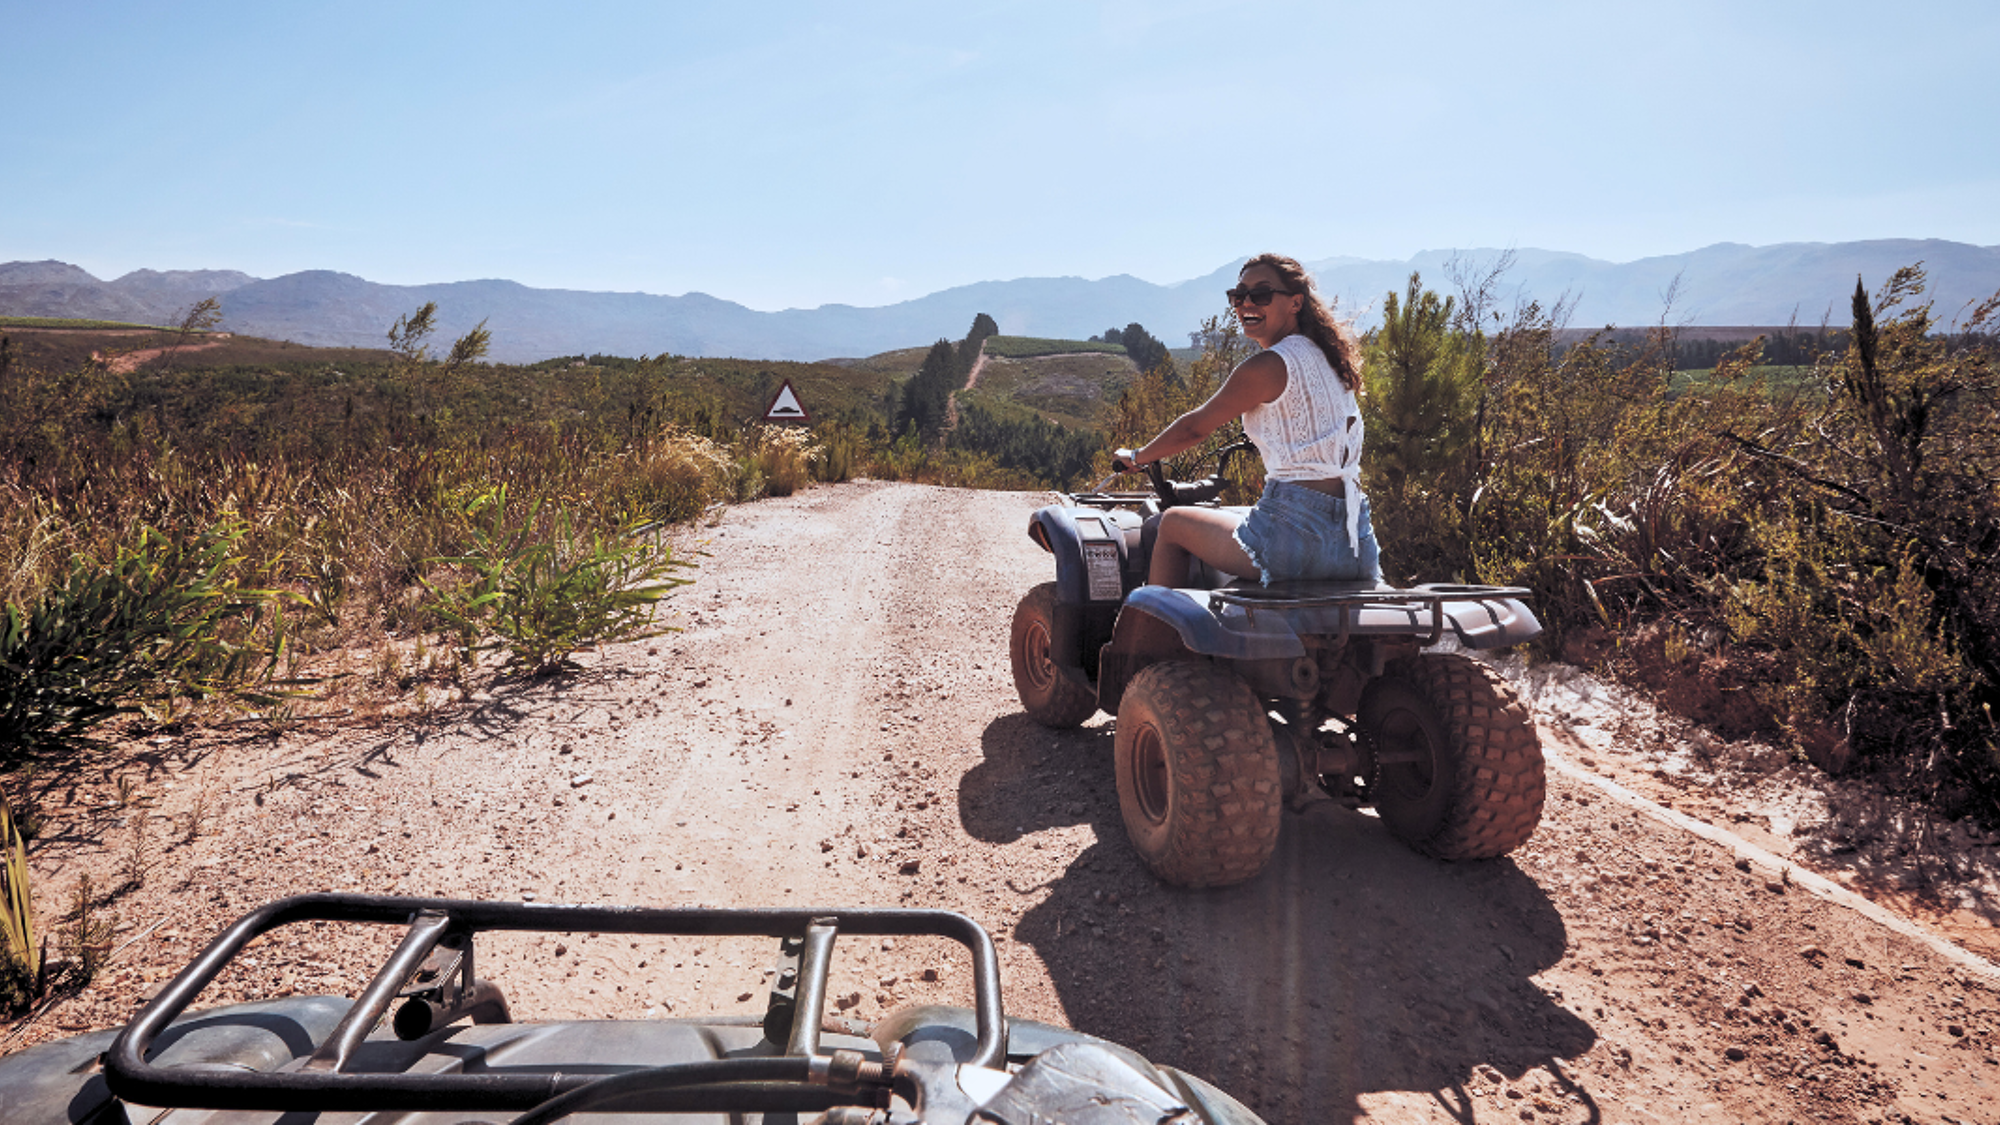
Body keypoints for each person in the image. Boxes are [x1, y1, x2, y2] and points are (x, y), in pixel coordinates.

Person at [1112, 253, 1382, 588]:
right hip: (1356, 544)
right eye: (1238, 296)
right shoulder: (1332, 361)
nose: (1247, 303)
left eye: (1262, 294)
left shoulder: (1269, 365)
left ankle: (1148, 624)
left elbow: (1194, 428)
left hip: (1291, 542)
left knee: (1171, 525)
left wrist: (1137, 456)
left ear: (1295, 302)